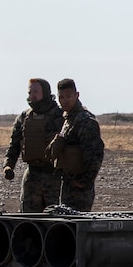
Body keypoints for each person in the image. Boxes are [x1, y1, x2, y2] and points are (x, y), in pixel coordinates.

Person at [3, 78, 64, 213]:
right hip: (32, 176)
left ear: (46, 92)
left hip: (55, 176)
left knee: (57, 219)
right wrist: (8, 165)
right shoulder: (24, 117)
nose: (32, 96)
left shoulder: (60, 116)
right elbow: (14, 145)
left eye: (35, 92)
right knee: (28, 219)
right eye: (30, 92)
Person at [48, 78, 104, 211]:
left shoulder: (85, 120)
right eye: (61, 97)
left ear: (77, 95)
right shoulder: (68, 119)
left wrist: (84, 181)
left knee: (76, 224)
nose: (65, 100)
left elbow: (95, 154)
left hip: (79, 188)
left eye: (68, 96)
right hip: (68, 182)